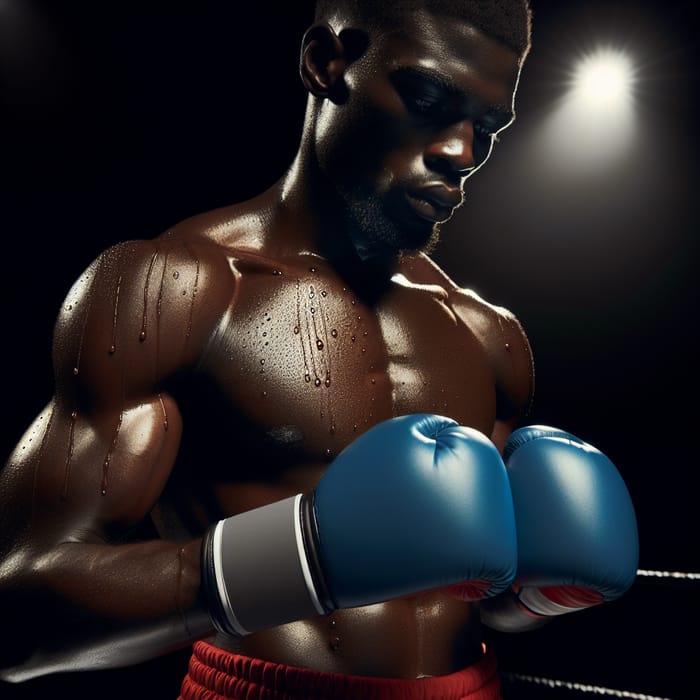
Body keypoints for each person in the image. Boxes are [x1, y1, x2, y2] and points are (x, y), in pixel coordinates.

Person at [0, 1, 638, 698]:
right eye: (428, 99)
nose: (460, 153)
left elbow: (466, 587)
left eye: (485, 130)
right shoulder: (177, 290)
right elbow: (18, 616)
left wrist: (532, 599)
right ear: (325, 63)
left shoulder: (488, 334)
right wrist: (300, 555)